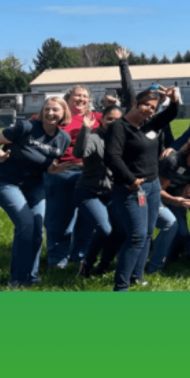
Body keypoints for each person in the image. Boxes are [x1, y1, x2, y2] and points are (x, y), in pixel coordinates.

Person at [0, 97, 72, 288]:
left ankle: (31, 277)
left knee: (37, 228)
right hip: (5, 181)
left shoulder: (63, 139)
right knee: (25, 223)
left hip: (34, 185)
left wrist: (53, 169)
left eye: (55, 110)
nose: (50, 113)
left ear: (64, 113)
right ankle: (17, 280)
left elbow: (44, 163)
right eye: (47, 109)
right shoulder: (26, 128)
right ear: (41, 111)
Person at [104, 87, 180, 291]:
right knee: (136, 235)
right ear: (135, 103)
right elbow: (112, 157)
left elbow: (171, 114)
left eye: (153, 108)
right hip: (130, 188)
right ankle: (121, 286)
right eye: (146, 105)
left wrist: (174, 101)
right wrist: (131, 180)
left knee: (147, 233)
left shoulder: (149, 125)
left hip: (153, 186)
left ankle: (137, 275)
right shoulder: (119, 127)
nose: (149, 110)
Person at [43, 86, 104, 270]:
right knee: (59, 219)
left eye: (85, 96)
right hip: (62, 172)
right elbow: (33, 132)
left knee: (87, 218)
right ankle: (57, 260)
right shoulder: (58, 115)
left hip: (88, 174)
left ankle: (79, 256)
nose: (82, 99)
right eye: (78, 95)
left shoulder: (97, 118)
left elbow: (117, 123)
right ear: (68, 98)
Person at [146, 134, 190, 275]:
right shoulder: (173, 161)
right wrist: (176, 200)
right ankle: (155, 262)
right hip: (155, 197)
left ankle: (170, 257)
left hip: (175, 199)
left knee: (183, 233)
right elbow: (157, 190)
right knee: (171, 225)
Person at [72, 105, 124, 278]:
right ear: (102, 119)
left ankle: (104, 265)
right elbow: (79, 152)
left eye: (118, 120)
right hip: (89, 192)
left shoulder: (122, 139)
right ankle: (86, 263)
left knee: (121, 229)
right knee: (105, 229)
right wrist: (85, 129)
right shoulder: (94, 138)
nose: (113, 123)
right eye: (109, 119)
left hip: (112, 194)